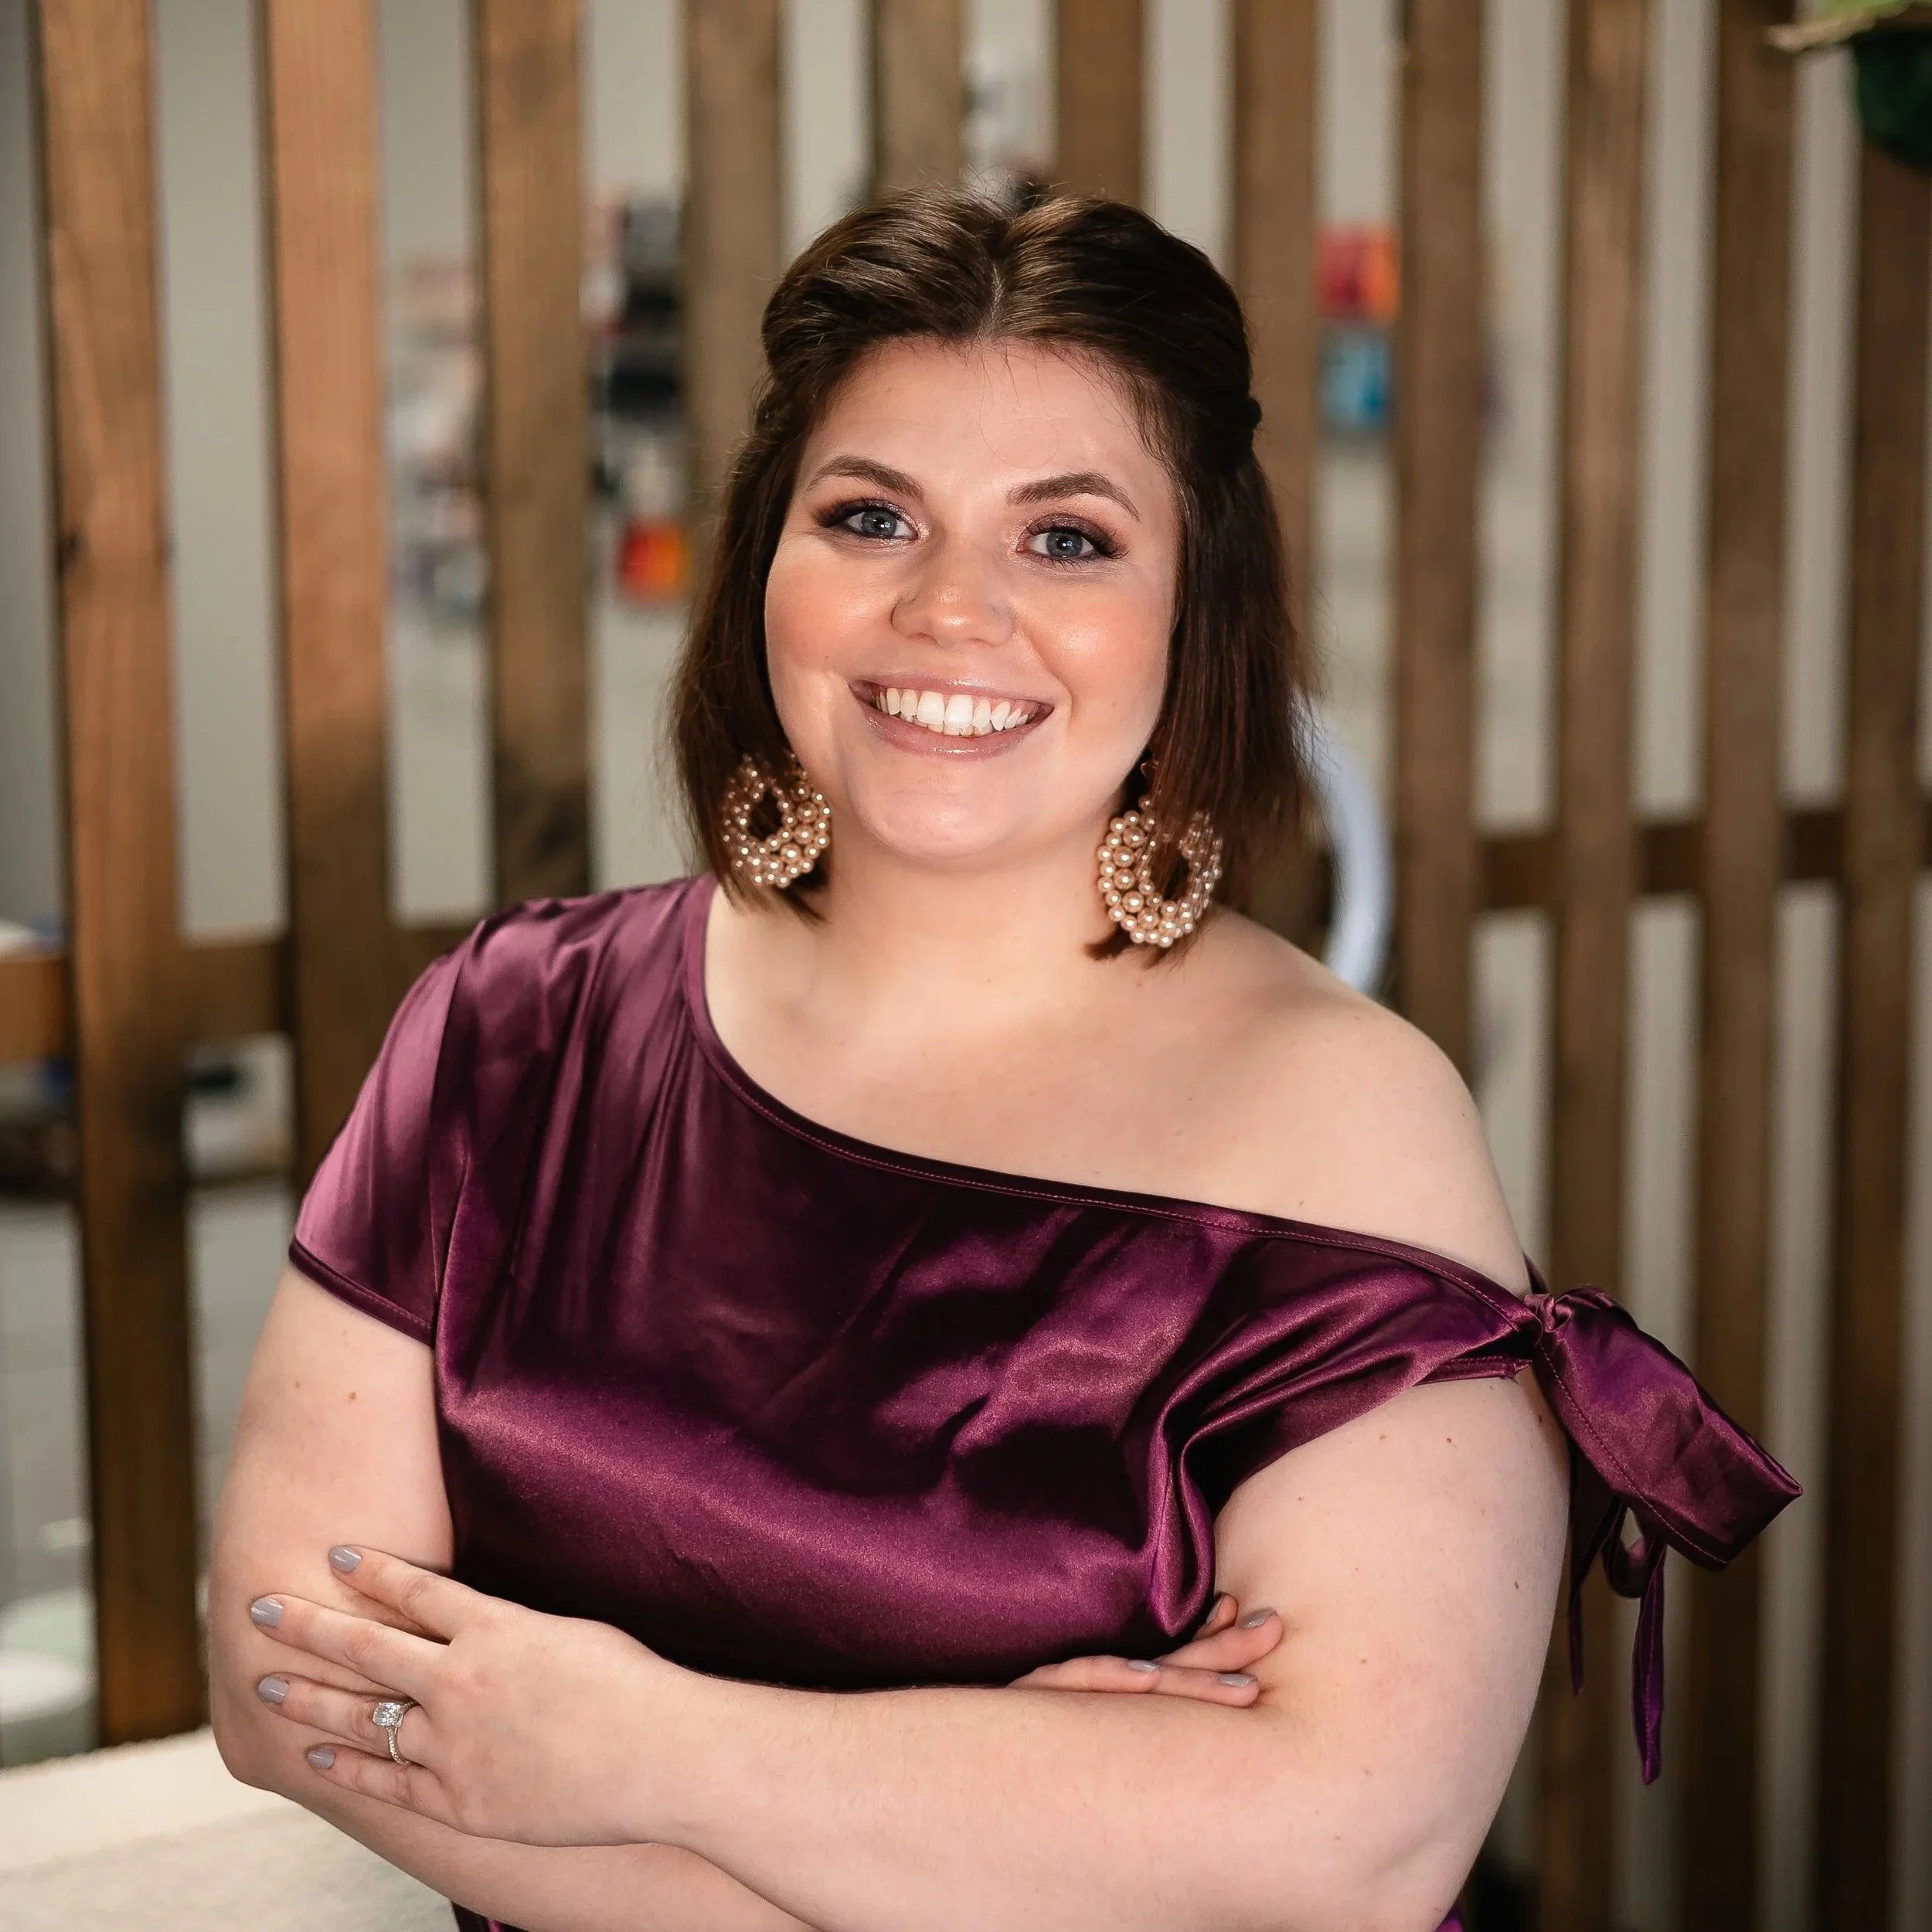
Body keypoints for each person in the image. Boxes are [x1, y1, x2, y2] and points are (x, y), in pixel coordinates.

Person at [208, 189, 1796, 1932]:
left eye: (1066, 540)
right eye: (871, 513)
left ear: (1193, 608)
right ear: (767, 564)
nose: (950, 608)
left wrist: (621, 1739)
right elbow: (280, 1678)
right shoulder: (514, 1024)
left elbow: (1346, 1841)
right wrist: (990, 1825)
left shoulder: (1345, 1112)